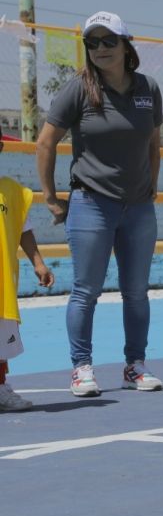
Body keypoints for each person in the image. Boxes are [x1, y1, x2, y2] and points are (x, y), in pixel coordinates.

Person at [36, 11, 163, 396]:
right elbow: (45, 142)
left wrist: (151, 187)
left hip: (139, 208)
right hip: (91, 203)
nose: (101, 48)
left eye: (109, 40)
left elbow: (153, 145)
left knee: (137, 291)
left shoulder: (148, 88)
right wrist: (52, 198)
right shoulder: (78, 88)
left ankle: (135, 366)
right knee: (85, 290)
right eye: (93, 42)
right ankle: (81, 368)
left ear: (127, 45)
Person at [0, 129, 56, 411]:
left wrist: (38, 262)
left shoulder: (10, 191)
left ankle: (0, 389)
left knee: (0, 342)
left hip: (2, 286)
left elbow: (24, 229)